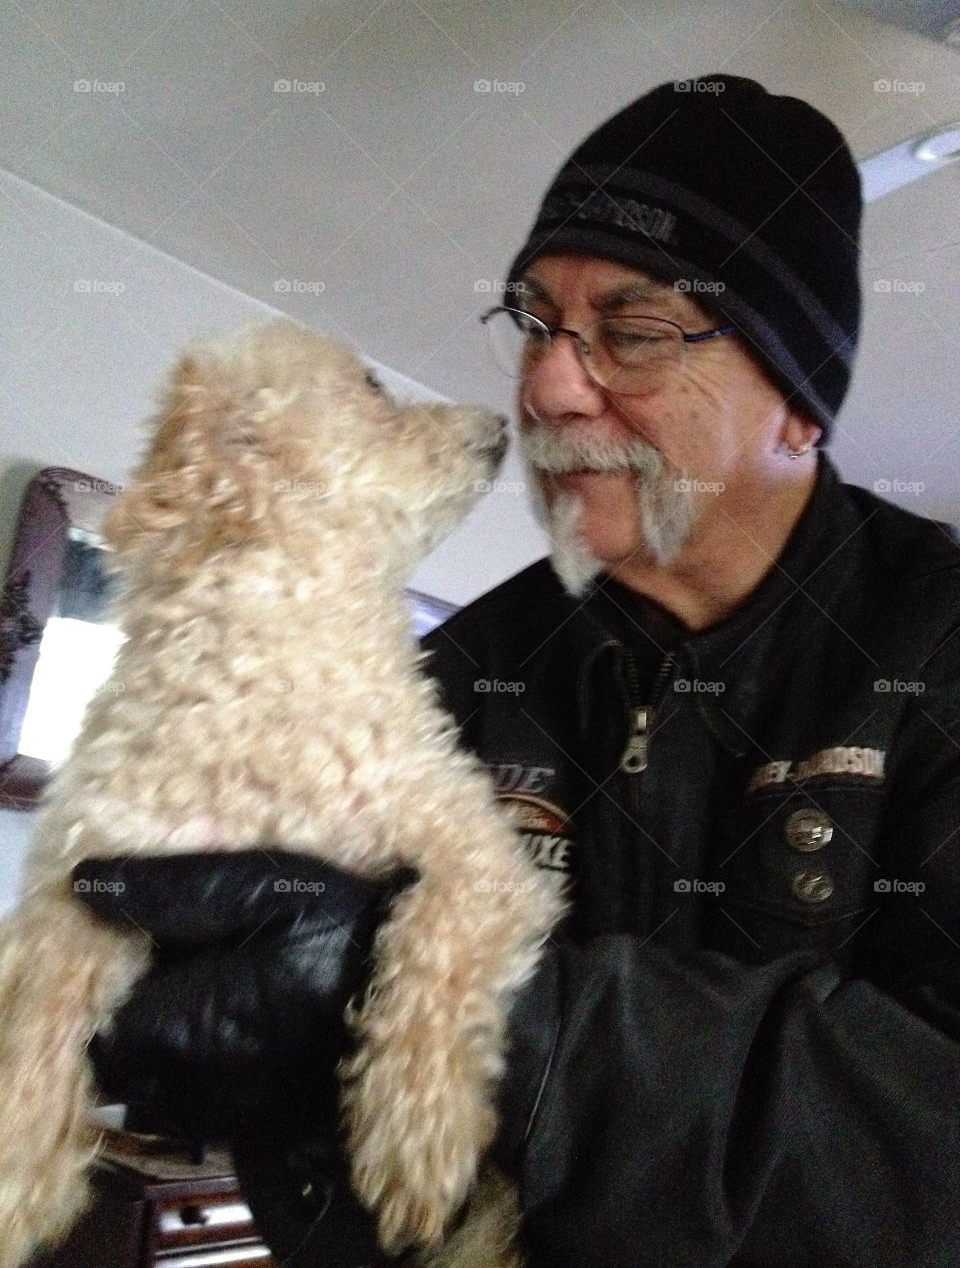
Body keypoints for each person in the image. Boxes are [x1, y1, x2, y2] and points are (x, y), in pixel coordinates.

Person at [73, 74, 960, 1267]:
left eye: (634, 335)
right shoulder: (451, 680)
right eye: (537, 323)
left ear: (798, 404)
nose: (546, 385)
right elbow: (334, 1174)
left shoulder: (937, 643)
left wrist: (453, 1005)